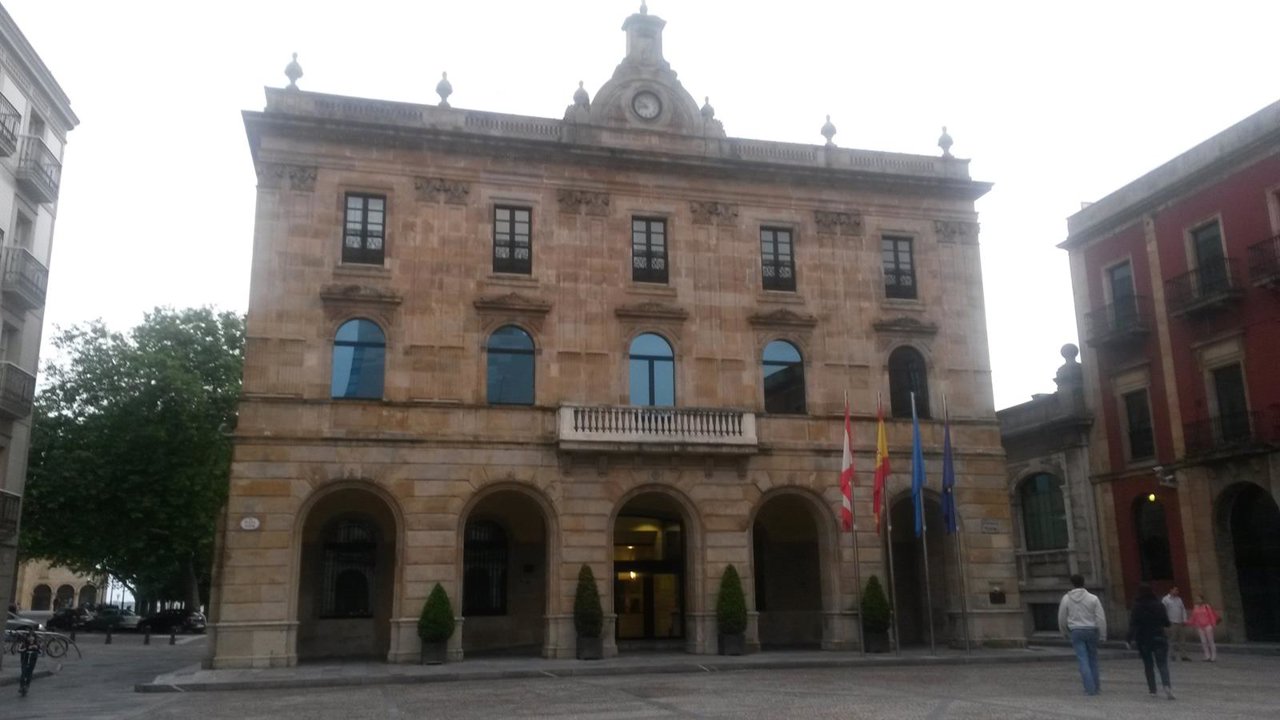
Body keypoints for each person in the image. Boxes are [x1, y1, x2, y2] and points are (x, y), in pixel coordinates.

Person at [1059, 574, 1107, 696]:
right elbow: (1100, 617)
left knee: (1082, 659)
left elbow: (1062, 617)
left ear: (1072, 583)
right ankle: (1096, 686)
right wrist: (1103, 634)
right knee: (1093, 659)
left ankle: (1089, 688)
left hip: (1076, 630)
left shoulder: (1066, 599)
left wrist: (1064, 631)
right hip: (1091, 630)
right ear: (1084, 582)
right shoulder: (1093, 598)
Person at [1128, 584, 1175, 699]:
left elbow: (1133, 624)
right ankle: (1167, 686)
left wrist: (1128, 639)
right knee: (1162, 664)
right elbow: (1166, 622)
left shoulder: (1136, 606)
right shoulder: (1159, 605)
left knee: (1148, 665)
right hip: (1159, 636)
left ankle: (1152, 690)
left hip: (1143, 639)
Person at [1187, 595, 1221, 662]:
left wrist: (1213, 625)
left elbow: (1211, 616)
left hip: (1208, 625)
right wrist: (1187, 622)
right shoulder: (1195, 607)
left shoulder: (1207, 606)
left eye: (1199, 599)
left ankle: (1213, 656)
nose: (1198, 600)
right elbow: (1193, 617)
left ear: (1202, 600)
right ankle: (1207, 656)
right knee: (1203, 642)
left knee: (1210, 641)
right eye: (1197, 599)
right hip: (1200, 626)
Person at [1161, 586, 1190, 661]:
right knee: (1172, 640)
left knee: (1182, 640)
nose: (1177, 592)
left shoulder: (1179, 599)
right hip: (1171, 622)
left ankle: (1183, 655)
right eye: (1175, 590)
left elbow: (1183, 609)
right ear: (1171, 590)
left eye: (1177, 590)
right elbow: (1163, 611)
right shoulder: (1165, 599)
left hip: (1180, 622)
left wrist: (1184, 619)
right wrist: (1165, 621)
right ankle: (1172, 655)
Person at [17, 627, 42, 697]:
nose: (31, 638)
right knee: (23, 673)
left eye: (32, 637)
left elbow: (40, 652)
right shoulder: (24, 644)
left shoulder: (37, 644)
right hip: (25, 660)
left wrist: (36, 649)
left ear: (34, 638)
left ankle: (27, 686)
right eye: (29, 637)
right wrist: (27, 649)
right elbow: (19, 650)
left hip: (32, 661)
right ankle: (21, 686)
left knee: (29, 673)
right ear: (27, 638)